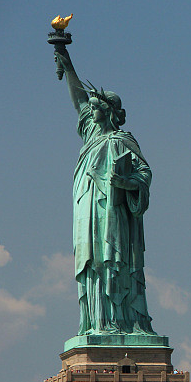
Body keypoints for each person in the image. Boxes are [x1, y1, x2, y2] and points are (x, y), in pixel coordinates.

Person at [54, 49, 156, 336]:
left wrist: (126, 183)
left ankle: (121, 321)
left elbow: (144, 173)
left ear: (109, 111)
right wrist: (67, 61)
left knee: (113, 261)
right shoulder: (91, 135)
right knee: (92, 263)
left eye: (97, 106)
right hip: (87, 210)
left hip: (112, 211)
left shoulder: (122, 140)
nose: (91, 110)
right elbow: (78, 102)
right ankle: (96, 322)